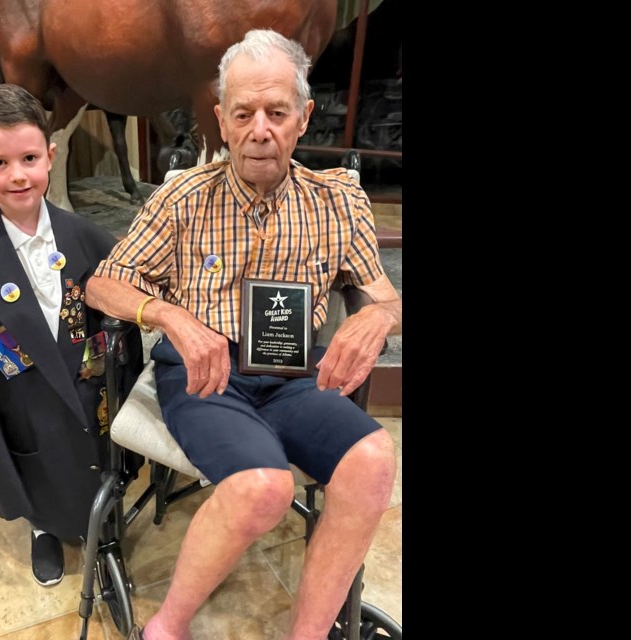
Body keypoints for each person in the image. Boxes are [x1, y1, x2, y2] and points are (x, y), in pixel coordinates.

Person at [86, 29, 400, 639]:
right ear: (221, 121)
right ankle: (167, 626)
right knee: (264, 489)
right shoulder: (182, 198)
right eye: (244, 113)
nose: (261, 130)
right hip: (205, 375)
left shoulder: (339, 200)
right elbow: (103, 285)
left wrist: (377, 316)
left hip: (293, 373)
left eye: (277, 113)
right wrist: (170, 315)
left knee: (373, 461)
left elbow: (384, 294)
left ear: (303, 117)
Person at [0, 83, 142, 586]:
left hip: (94, 408)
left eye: (29, 158)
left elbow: (123, 343)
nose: (17, 175)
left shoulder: (94, 240)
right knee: (47, 486)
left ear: (50, 155)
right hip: (29, 418)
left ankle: (99, 521)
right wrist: (5, 490)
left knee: (99, 480)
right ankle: (42, 527)